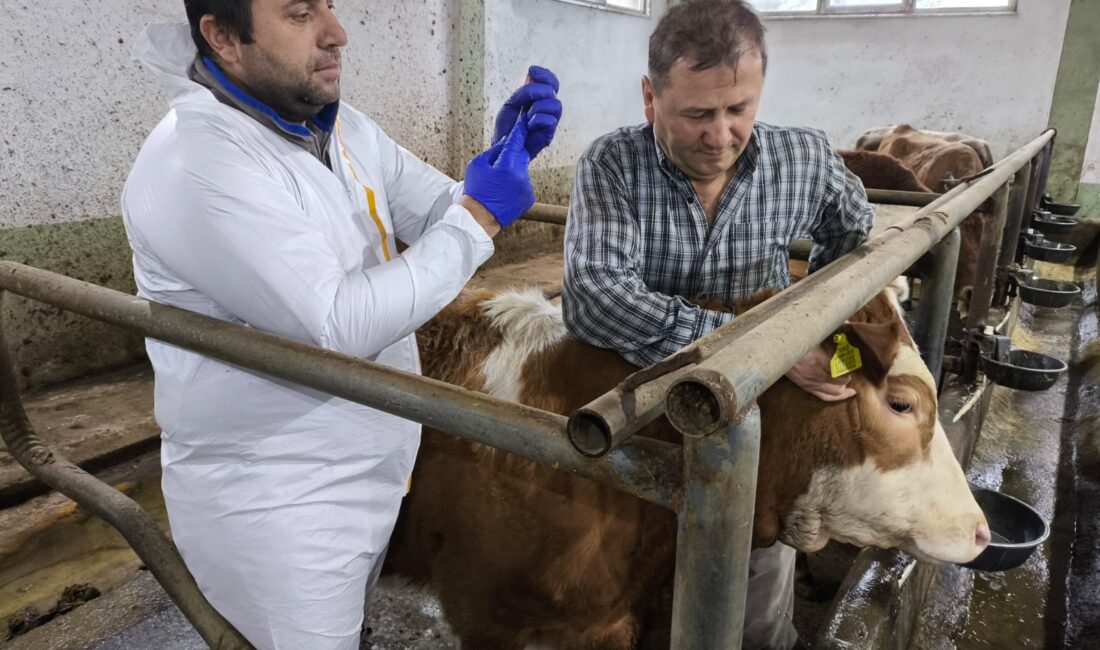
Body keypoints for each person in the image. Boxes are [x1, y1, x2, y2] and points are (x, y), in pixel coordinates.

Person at [121, 1, 561, 648]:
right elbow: (334, 325)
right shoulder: (198, 162)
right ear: (223, 37)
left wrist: (499, 162)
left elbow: (439, 211)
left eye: (329, 5)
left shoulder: (335, 126)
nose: (337, 33)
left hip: (370, 459)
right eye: (300, 14)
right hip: (279, 501)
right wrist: (478, 217)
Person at [561, 1, 874, 647]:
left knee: (754, 601)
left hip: (759, 421)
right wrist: (766, 349)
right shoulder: (613, 164)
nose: (721, 134)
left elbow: (855, 237)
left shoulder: (803, 158)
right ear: (650, 97)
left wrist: (823, 335)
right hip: (645, 409)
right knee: (634, 579)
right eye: (697, 114)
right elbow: (595, 297)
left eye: (739, 109)